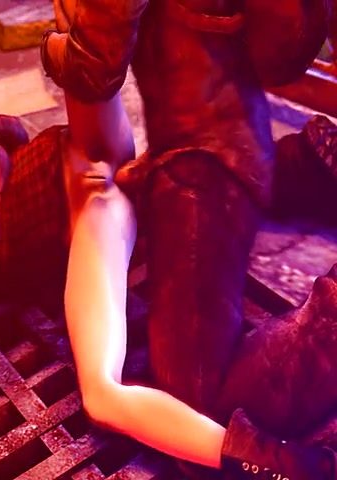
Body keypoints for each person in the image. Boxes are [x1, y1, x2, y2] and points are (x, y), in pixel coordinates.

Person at [0, 27, 337, 478]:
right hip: (89, 213)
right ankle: (284, 463)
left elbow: (16, 133)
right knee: (103, 396)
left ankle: (296, 164)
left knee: (90, 61)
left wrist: (51, 176)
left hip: (82, 167)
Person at [43, 0, 337, 478]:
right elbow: (281, 57)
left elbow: (93, 71)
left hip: (200, 165)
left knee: (191, 405)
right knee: (130, 400)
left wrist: (60, 39)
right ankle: (309, 162)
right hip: (214, 149)